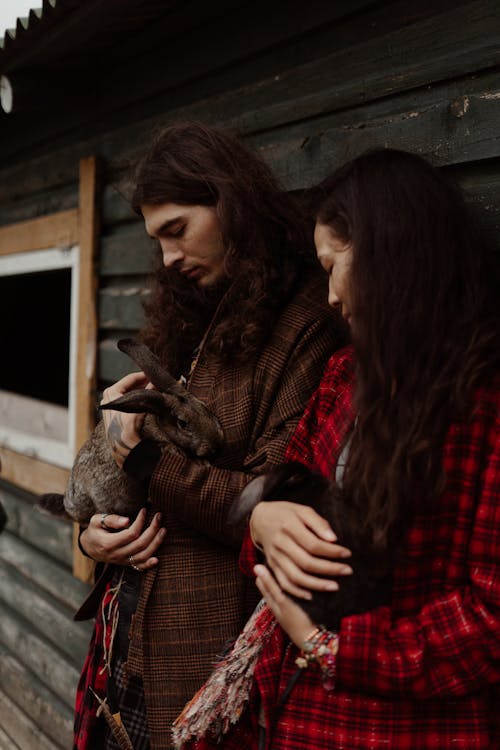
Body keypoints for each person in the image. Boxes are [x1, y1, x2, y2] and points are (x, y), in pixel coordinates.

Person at [174, 148, 500, 749]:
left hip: (406, 730)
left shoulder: (483, 404)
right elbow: (279, 492)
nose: (328, 296)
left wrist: (335, 649)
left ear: (388, 253)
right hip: (298, 717)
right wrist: (264, 521)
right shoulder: (343, 377)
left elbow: (491, 618)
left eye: (333, 265)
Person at [72, 121, 346, 750]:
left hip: (200, 662)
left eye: (178, 230)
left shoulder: (306, 325)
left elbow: (270, 503)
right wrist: (94, 534)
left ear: (232, 202)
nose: (168, 258)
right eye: (156, 239)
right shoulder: (188, 315)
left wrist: (137, 458)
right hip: (121, 646)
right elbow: (122, 456)